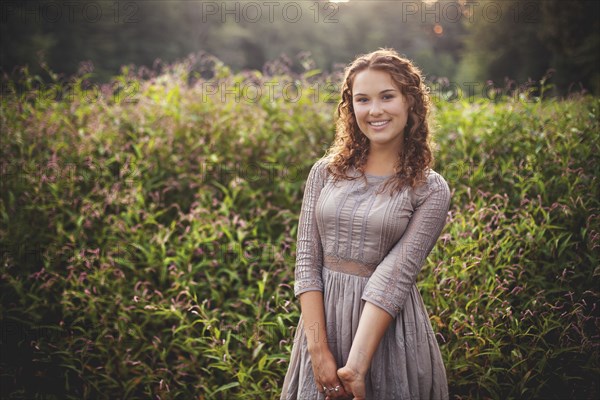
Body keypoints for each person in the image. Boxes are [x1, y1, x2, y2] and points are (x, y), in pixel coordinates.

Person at [280, 48, 451, 400]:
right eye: (362, 99)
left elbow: (394, 277)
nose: (375, 110)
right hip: (320, 329)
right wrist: (318, 351)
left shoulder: (429, 188)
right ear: (350, 106)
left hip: (387, 336)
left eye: (387, 96)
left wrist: (357, 365)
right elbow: (307, 261)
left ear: (410, 102)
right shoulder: (325, 172)